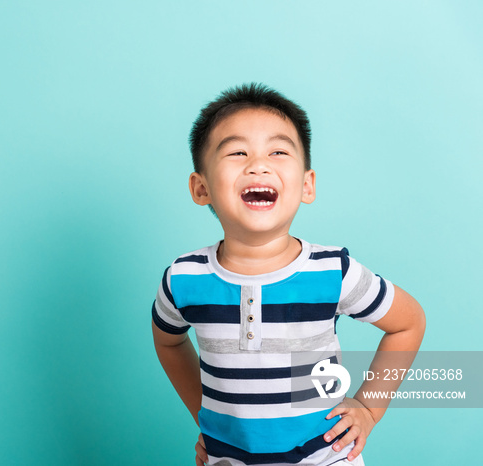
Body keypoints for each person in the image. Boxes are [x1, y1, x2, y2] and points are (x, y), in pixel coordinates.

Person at [151, 83, 426, 466]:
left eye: (278, 151)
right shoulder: (183, 279)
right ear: (201, 188)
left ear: (307, 185)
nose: (258, 164)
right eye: (236, 152)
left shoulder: (333, 271)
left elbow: (408, 323)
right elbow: (168, 342)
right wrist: (206, 416)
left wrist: (367, 407)